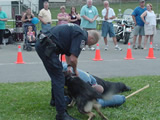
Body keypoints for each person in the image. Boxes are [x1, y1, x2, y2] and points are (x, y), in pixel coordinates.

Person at [35, 23, 100, 120]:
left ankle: (54, 101)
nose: (86, 46)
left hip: (44, 44)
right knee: (59, 79)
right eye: (89, 44)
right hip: (47, 47)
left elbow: (68, 53)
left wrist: (69, 66)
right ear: (91, 39)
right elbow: (73, 58)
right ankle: (61, 115)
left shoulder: (76, 30)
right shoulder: (82, 36)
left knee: (57, 75)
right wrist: (75, 71)